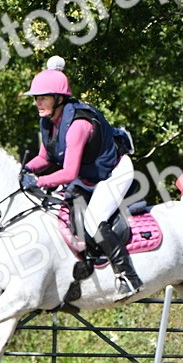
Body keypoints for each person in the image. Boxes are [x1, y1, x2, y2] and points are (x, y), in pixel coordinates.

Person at [21, 56, 142, 298]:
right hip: (90, 174)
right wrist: (24, 170)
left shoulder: (77, 125)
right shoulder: (49, 121)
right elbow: (44, 158)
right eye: (36, 97)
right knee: (62, 210)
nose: (38, 102)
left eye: (42, 97)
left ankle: (127, 275)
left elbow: (68, 173)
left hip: (115, 172)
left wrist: (38, 181)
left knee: (93, 220)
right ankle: (85, 266)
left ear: (59, 99)